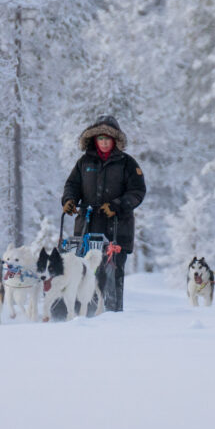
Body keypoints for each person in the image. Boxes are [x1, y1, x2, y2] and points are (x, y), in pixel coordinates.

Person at [61, 115, 146, 314]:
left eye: (108, 138)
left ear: (115, 140)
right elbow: (71, 185)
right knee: (83, 271)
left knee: (111, 273)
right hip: (87, 227)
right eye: (100, 138)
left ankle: (111, 314)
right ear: (94, 140)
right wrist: (69, 201)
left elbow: (137, 192)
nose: (104, 142)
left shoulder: (127, 163)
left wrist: (117, 205)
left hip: (117, 228)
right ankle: (81, 314)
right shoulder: (84, 162)